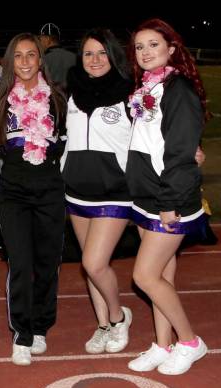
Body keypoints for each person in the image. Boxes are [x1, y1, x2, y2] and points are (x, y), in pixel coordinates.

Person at [126, 18, 209, 375]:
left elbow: (179, 153)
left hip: (168, 200)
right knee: (162, 276)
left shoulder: (178, 91)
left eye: (153, 45)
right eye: (140, 47)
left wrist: (170, 203)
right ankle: (162, 344)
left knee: (144, 276)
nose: (145, 52)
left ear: (172, 49)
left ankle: (190, 341)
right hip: (146, 195)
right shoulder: (148, 86)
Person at [0, 33, 67, 366]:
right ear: (10, 61)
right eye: (18, 56)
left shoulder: (58, 100)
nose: (24, 62)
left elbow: (64, 145)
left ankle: (40, 327)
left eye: (31, 55)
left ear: (40, 59)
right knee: (20, 263)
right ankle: (21, 333)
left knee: (47, 263)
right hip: (13, 191)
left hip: (49, 188)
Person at [61, 28, 134, 354]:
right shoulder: (70, 93)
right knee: (91, 267)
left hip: (115, 191)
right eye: (89, 53)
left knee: (93, 263)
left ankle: (119, 318)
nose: (94, 60)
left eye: (102, 53)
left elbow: (156, 133)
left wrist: (192, 149)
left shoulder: (130, 94)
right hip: (76, 190)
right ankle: (102, 325)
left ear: (113, 56)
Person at [38, 23, 75, 89]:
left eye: (41, 39)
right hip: (72, 97)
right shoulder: (74, 57)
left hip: (52, 97)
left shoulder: (43, 60)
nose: (40, 42)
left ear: (47, 39)